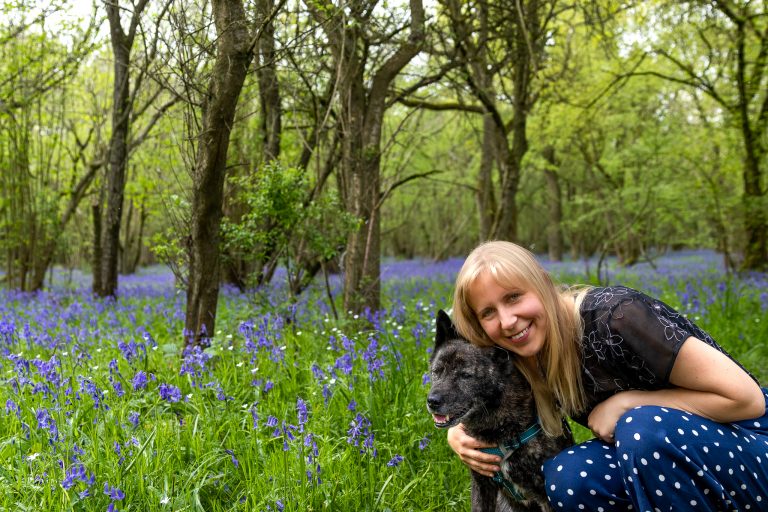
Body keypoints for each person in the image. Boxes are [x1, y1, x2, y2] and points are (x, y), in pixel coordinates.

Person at [447, 240, 768, 511]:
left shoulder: (618, 318)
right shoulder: (526, 351)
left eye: (514, 297)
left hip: (752, 444)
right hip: (668, 461)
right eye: (488, 312)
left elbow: (748, 400)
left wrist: (630, 403)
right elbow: (482, 391)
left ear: (543, 283)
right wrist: (457, 433)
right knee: (569, 476)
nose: (507, 320)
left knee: (641, 428)